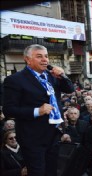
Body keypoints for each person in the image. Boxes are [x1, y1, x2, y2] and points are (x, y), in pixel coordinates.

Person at [2, 44, 74, 176]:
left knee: (52, 171)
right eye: (39, 56)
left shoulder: (52, 76)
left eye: (46, 56)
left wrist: (63, 75)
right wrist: (37, 111)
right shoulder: (14, 80)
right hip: (32, 138)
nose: (45, 60)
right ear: (27, 59)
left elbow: (70, 89)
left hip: (54, 134)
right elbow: (8, 110)